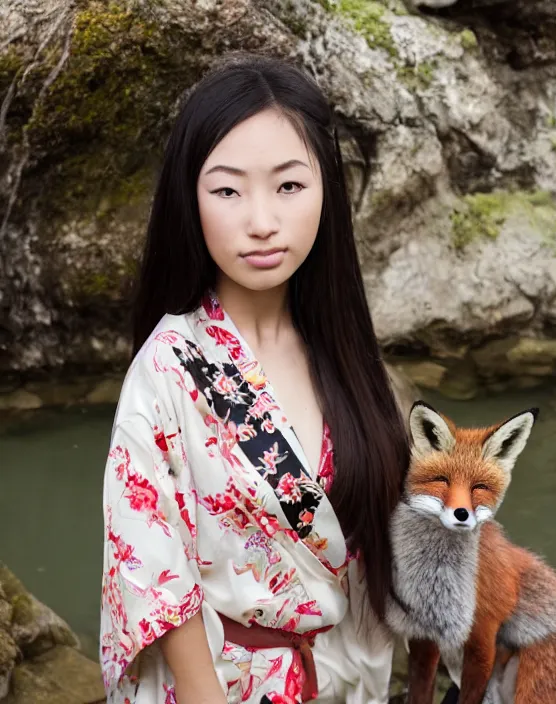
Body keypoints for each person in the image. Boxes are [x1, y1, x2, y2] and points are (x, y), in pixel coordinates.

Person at [99, 53, 410, 704]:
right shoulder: (169, 367)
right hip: (226, 683)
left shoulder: (347, 352)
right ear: (191, 199)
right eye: (228, 189)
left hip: (346, 675)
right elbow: (153, 571)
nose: (261, 221)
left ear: (327, 189)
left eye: (289, 186)